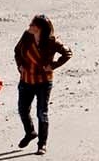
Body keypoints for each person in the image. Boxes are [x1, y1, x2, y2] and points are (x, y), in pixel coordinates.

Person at [12, 16, 71, 154]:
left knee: (42, 113)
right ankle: (30, 132)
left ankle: (42, 144)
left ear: (39, 28)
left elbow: (67, 53)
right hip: (26, 79)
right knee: (22, 109)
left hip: (44, 81)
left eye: (32, 24)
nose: (29, 25)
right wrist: (19, 65)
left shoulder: (52, 41)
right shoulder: (27, 35)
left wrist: (53, 65)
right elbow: (17, 50)